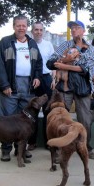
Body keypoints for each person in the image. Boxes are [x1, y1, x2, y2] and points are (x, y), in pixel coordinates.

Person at [0, 15, 42, 162]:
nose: (21, 28)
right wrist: (4, 85)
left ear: (27, 27)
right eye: (18, 25)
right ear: (13, 26)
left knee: (25, 120)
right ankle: (6, 150)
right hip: (10, 87)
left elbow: (39, 63)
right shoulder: (5, 42)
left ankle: (20, 150)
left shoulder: (32, 43)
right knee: (7, 120)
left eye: (24, 25)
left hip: (28, 88)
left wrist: (37, 77)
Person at [46, 20, 94, 160]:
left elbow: (85, 69)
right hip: (64, 85)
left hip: (82, 86)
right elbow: (50, 63)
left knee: (85, 119)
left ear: (83, 31)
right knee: (59, 117)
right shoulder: (65, 45)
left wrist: (62, 64)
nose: (74, 30)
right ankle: (57, 149)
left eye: (77, 28)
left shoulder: (90, 48)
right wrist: (67, 59)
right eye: (72, 28)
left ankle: (86, 147)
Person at [27, 21, 55, 151]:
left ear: (43, 31)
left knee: (48, 111)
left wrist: (53, 79)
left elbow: (54, 63)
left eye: (40, 30)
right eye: (36, 30)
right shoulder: (27, 44)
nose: (38, 32)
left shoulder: (48, 45)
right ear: (32, 31)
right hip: (32, 80)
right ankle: (31, 142)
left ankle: (48, 142)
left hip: (46, 79)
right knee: (32, 112)